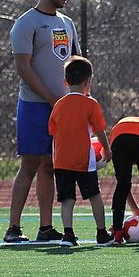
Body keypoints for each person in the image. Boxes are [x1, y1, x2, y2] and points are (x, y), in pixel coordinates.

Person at [5, 0, 81, 244]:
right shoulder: (26, 23)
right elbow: (23, 67)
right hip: (35, 105)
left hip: (62, 107)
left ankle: (46, 227)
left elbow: (77, 64)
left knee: (50, 165)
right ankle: (13, 227)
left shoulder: (67, 23)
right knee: (30, 164)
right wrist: (50, 98)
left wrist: (80, 99)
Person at [48, 56, 113, 247]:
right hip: (83, 160)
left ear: (65, 82)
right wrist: (107, 150)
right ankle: (101, 233)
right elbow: (99, 130)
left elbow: (51, 130)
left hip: (61, 160)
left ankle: (68, 234)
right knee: (94, 196)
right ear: (88, 82)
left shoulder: (58, 105)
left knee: (67, 199)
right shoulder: (90, 104)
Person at [108, 115, 139, 243]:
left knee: (122, 183)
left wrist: (135, 209)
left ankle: (116, 232)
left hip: (117, 135)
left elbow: (124, 185)